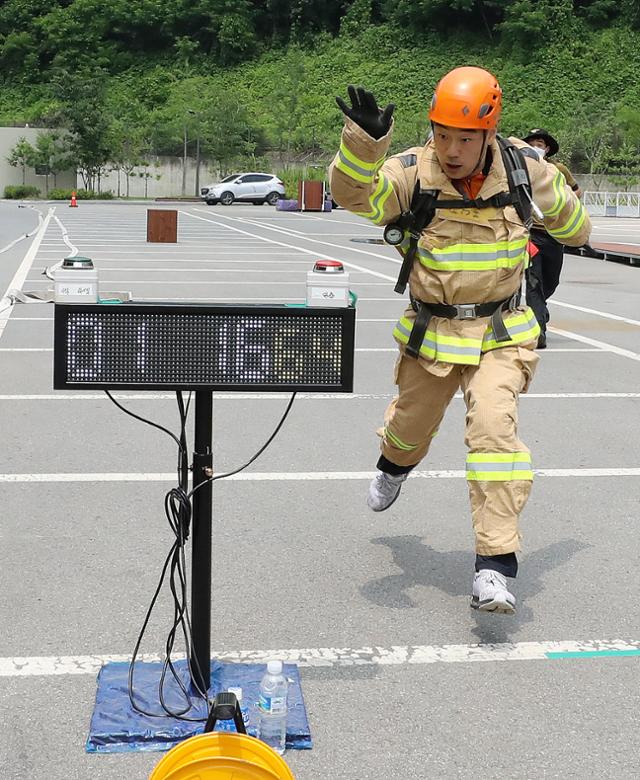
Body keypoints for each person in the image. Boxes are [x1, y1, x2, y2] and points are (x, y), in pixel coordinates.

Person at [330, 67, 590, 614]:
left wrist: (558, 204)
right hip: (432, 330)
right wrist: (363, 146)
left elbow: (577, 230)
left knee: (495, 436)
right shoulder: (410, 172)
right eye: (442, 133)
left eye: (464, 138)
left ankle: (494, 568)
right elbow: (356, 198)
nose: (451, 149)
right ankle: (393, 467)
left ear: (489, 133)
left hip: (501, 331)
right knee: (409, 425)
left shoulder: (526, 169)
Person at [523, 128, 582, 348]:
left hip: (554, 235)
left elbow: (577, 190)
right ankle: (539, 332)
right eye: (531, 143)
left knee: (551, 280)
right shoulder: (521, 169)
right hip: (531, 235)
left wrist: (564, 201)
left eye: (539, 143)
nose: (535, 147)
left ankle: (540, 309)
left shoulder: (558, 170)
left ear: (547, 148)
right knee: (533, 282)